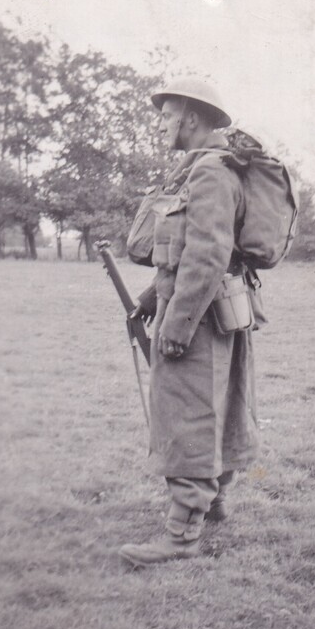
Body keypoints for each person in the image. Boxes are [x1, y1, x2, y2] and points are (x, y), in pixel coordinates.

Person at [119, 78, 259, 567]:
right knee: (219, 411)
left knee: (189, 419)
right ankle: (213, 504)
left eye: (166, 114)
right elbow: (183, 256)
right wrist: (153, 296)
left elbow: (208, 255)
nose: (161, 123)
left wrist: (175, 326)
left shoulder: (210, 174)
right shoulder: (203, 170)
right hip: (212, 310)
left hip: (199, 320)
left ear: (192, 118)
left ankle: (182, 538)